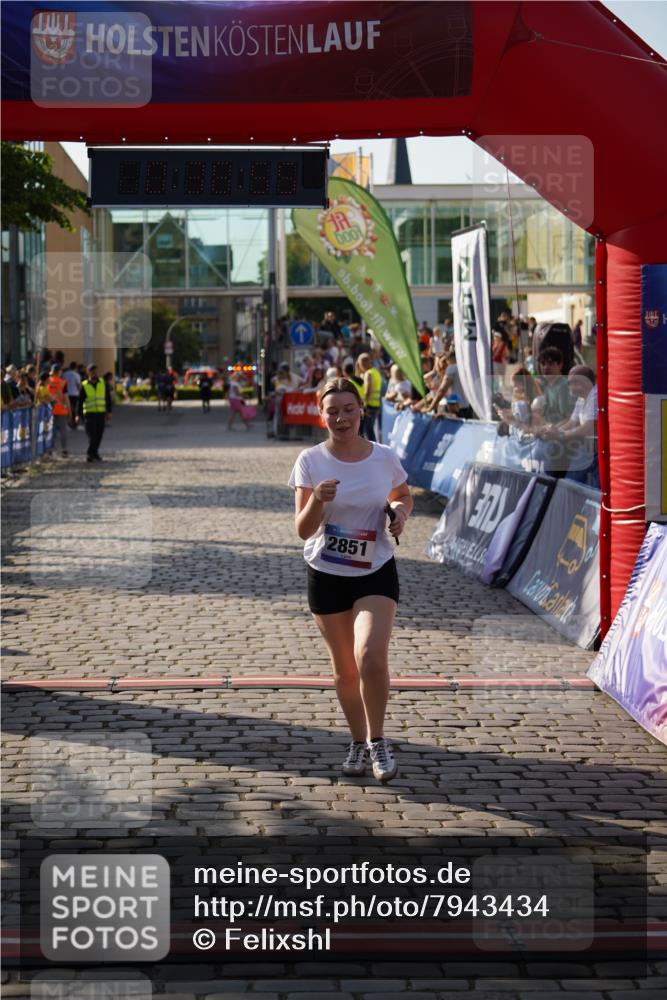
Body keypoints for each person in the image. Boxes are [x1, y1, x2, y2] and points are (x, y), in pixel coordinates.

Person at [288, 377, 413, 782]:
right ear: (321, 415)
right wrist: (319, 503)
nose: (341, 418)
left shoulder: (384, 457)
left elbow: (402, 494)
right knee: (345, 670)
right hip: (326, 572)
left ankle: (378, 741)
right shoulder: (311, 460)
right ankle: (357, 742)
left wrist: (399, 512)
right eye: (332, 411)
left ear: (362, 410)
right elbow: (303, 531)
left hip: (375, 568)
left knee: (370, 656)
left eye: (348, 409)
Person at [79, 364, 107, 462]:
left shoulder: (102, 383)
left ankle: (94, 453)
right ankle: (90, 454)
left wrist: (109, 411)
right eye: (92, 372)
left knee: (99, 434)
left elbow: (107, 398)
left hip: (100, 413)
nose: (94, 373)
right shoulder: (84, 384)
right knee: (92, 435)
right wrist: (78, 415)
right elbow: (80, 401)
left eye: (95, 371)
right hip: (89, 414)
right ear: (88, 373)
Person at [357, 352, 382, 441]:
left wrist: (364, 406)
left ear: (363, 363)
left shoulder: (368, 373)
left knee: (367, 430)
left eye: (360, 364)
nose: (360, 367)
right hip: (376, 405)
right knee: (369, 429)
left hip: (369, 406)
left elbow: (368, 391)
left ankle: (372, 451)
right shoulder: (376, 372)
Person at [47, 363, 71, 456]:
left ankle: (50, 449)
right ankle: (64, 449)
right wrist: (70, 410)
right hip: (61, 409)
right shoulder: (63, 382)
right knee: (63, 431)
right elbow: (66, 398)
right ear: (60, 372)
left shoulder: (47, 382)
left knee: (51, 431)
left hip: (49, 410)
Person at [64, 360, 81, 427]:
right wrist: (80, 392)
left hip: (66, 393)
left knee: (68, 408)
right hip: (75, 394)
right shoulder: (76, 375)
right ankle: (73, 422)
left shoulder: (64, 374)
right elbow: (78, 385)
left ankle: (68, 422)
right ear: (75, 367)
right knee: (74, 409)